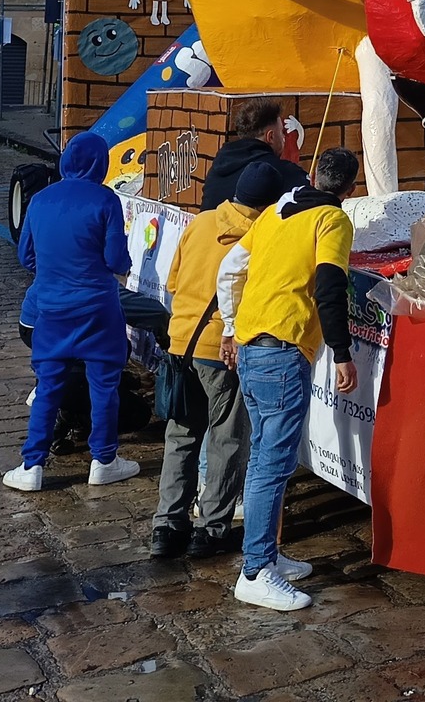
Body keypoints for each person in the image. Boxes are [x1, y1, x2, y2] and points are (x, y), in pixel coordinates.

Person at [216, 147, 361, 611]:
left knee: (264, 455)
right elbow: (331, 286)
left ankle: (266, 554)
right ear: (350, 190)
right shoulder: (332, 220)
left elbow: (230, 268)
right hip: (281, 348)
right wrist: (342, 353)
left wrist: (231, 326)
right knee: (272, 465)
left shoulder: (274, 213)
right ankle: (255, 570)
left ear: (314, 174)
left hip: (252, 342)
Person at [150, 159, 287, 558]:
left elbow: (173, 282)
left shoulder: (201, 222)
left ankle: (167, 526)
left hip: (181, 344)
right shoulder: (261, 236)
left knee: (181, 436)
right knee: (226, 439)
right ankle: (211, 528)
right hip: (222, 352)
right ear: (267, 205)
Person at [4, 133, 141, 492]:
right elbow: (116, 259)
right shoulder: (106, 199)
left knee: (48, 386)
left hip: (52, 308)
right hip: (98, 308)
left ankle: (32, 465)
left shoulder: (40, 200)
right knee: (104, 386)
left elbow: (26, 256)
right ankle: (104, 460)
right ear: (101, 164)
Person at [202, 101, 310, 210]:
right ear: (271, 136)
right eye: (282, 132)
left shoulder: (218, 167)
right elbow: (312, 198)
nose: (284, 138)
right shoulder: (282, 170)